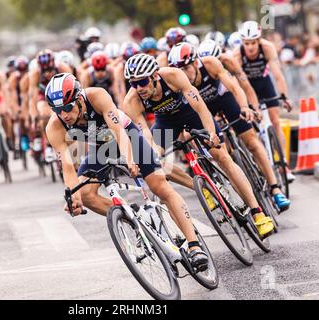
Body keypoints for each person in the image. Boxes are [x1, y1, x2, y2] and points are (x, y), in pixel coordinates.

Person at [45, 73, 209, 270]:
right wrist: (73, 197)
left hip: (127, 135)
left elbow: (118, 131)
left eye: (67, 108)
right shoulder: (54, 126)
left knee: (159, 186)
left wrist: (130, 160)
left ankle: (194, 245)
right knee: (86, 194)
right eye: (58, 110)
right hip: (101, 147)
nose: (64, 115)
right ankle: (134, 219)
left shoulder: (96, 96)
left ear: (79, 99)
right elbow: (68, 168)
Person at [120, 53, 275, 237]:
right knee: (154, 162)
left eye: (142, 82)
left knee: (222, 156)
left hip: (190, 113)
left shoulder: (173, 76)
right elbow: (145, 135)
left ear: (154, 76)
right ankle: (201, 187)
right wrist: (153, 154)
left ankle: (257, 213)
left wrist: (211, 133)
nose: (138, 88)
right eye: (133, 83)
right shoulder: (131, 101)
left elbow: (200, 106)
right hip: (166, 122)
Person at [170, 42, 290, 212]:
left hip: (225, 99)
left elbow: (236, 87)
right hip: (204, 109)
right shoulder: (176, 81)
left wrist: (246, 107)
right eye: (178, 70)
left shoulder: (211, 64)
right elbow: (184, 116)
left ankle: (275, 189)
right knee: (218, 152)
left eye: (186, 68)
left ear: (196, 63)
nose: (183, 73)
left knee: (252, 143)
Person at [233, 21, 295, 182]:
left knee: (275, 121)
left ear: (259, 40)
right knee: (252, 127)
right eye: (247, 43)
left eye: (253, 42)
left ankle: (284, 165)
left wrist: (284, 97)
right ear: (242, 43)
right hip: (247, 87)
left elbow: (278, 75)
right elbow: (238, 84)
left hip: (264, 83)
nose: (251, 47)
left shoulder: (267, 48)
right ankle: (260, 159)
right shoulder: (237, 55)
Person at [28, 50, 73, 161]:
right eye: (44, 71)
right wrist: (33, 115)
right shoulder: (35, 74)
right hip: (43, 96)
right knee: (44, 114)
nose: (48, 74)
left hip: (61, 94)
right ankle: (48, 145)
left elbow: (74, 87)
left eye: (50, 70)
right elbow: (32, 96)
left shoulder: (63, 68)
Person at [8, 56, 30, 158]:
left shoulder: (31, 76)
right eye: (20, 70)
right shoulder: (14, 78)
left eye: (24, 70)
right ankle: (23, 137)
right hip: (18, 100)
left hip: (29, 99)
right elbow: (12, 96)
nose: (23, 73)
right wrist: (17, 109)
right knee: (19, 117)